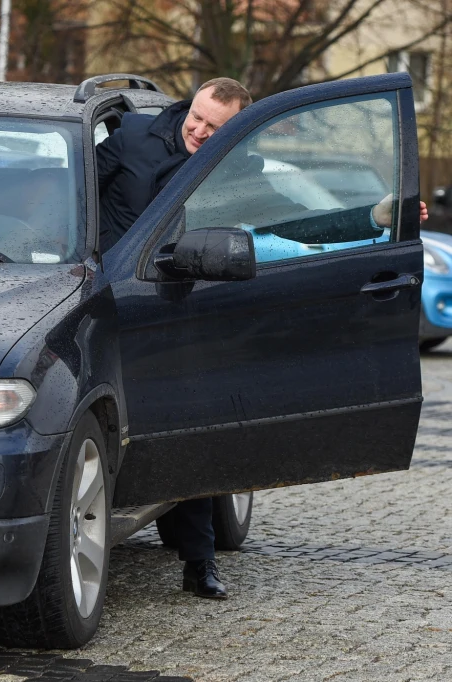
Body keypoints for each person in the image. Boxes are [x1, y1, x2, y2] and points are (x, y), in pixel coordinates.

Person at [96, 77, 427, 601]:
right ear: (191, 103)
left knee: (192, 428)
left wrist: (375, 218)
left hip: (181, 309)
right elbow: (70, 192)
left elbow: (296, 230)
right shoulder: (131, 136)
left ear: (236, 136)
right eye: (197, 118)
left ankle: (199, 562)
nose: (200, 131)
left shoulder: (238, 170)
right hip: (105, 300)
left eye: (215, 128)